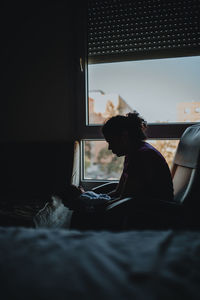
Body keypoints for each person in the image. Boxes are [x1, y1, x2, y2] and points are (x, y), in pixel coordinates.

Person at [101, 111, 174, 203]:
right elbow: (119, 192)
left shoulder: (142, 156)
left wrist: (94, 206)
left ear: (124, 136)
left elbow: (124, 200)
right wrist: (93, 198)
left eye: (111, 141)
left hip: (153, 212)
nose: (109, 147)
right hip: (139, 208)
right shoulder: (133, 153)